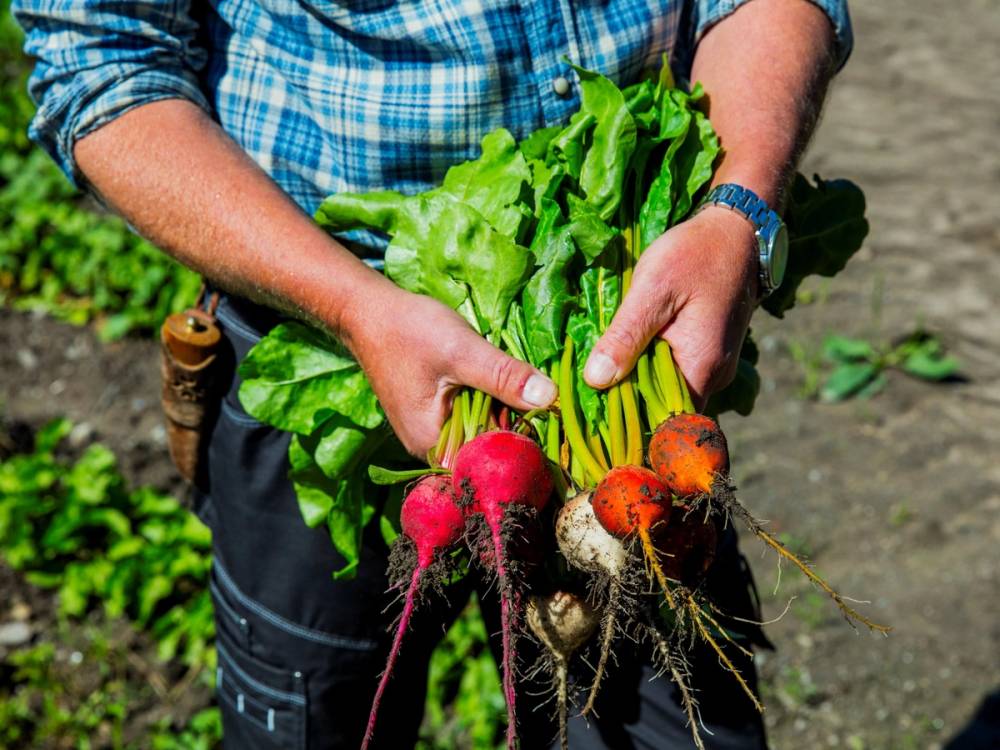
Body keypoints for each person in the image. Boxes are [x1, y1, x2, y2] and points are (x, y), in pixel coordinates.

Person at [13, 0, 852, 747]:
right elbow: (105, 64)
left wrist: (737, 209)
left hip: (628, 394)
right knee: (319, 712)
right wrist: (354, 308)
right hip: (323, 335)